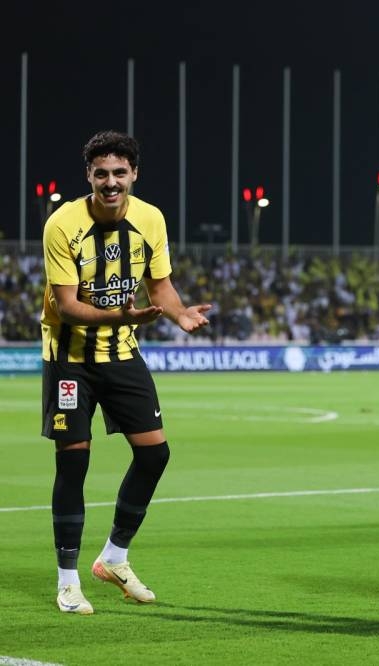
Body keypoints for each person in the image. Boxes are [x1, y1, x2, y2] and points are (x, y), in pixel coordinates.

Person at [42, 131, 212, 615]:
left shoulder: (150, 218)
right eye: (102, 174)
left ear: (134, 174)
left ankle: (114, 557)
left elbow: (161, 285)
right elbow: (67, 306)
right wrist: (123, 316)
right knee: (73, 463)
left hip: (122, 352)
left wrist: (178, 314)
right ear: (89, 176)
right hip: (70, 357)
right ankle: (68, 581)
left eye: (120, 173)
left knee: (155, 454)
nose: (111, 182)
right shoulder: (62, 224)